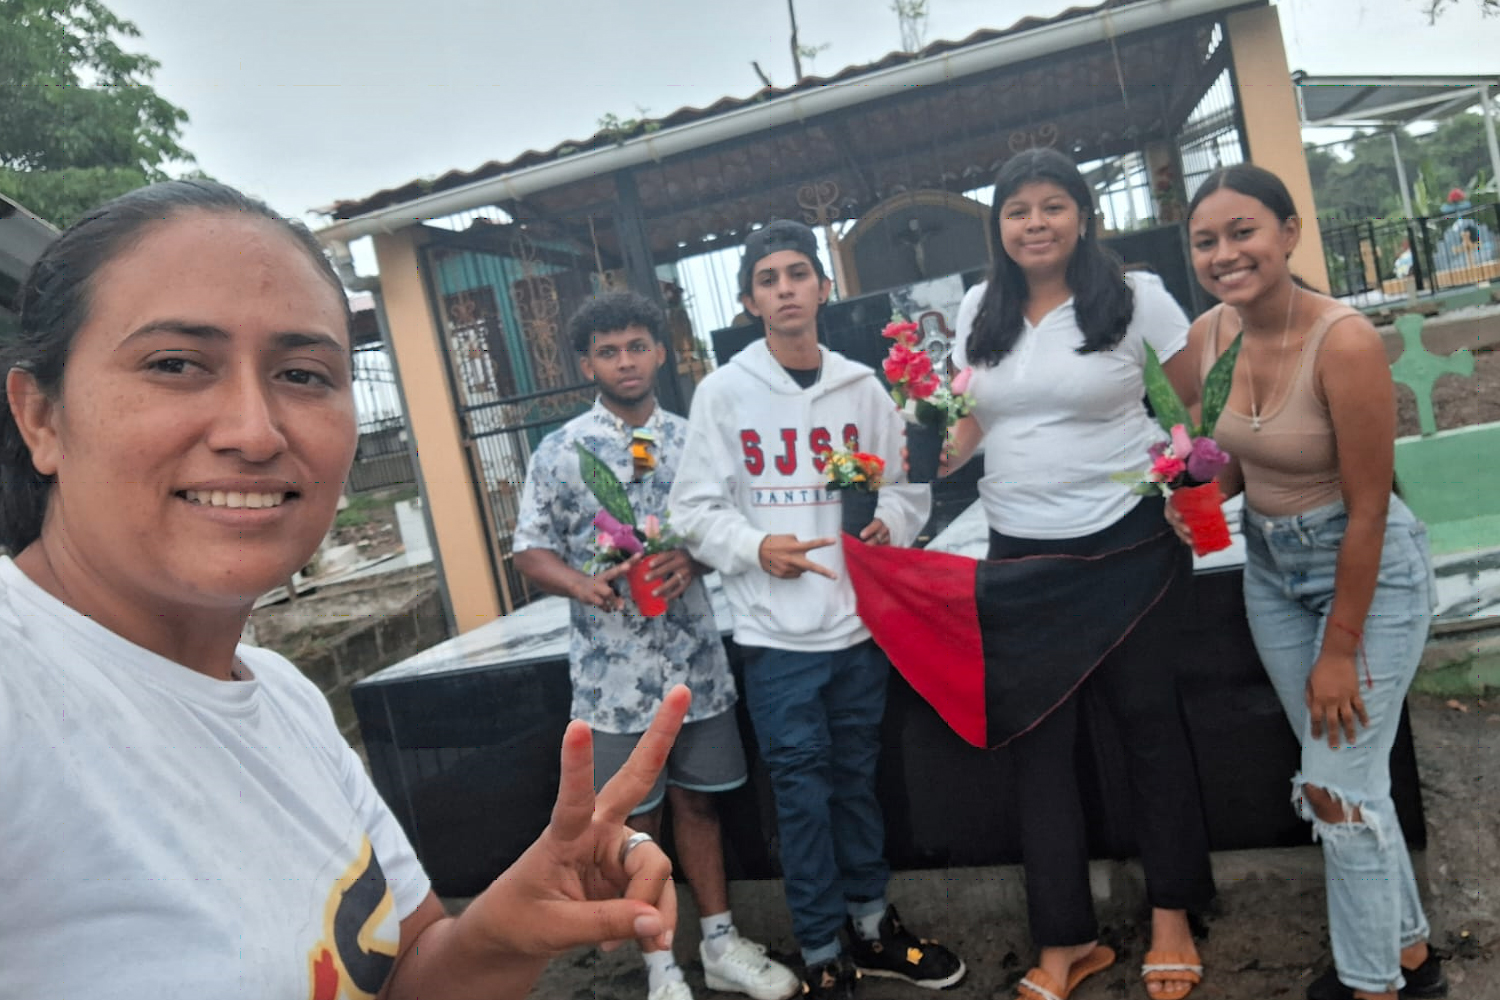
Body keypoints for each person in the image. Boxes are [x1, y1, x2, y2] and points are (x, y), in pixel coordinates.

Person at [0, 179, 691, 1000]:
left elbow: (402, 974)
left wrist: (504, 932)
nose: (255, 432)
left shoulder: (284, 699)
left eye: (303, 374)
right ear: (40, 415)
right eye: (177, 364)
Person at [943, 148, 1216, 1000]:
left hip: (1129, 543)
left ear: (1083, 214)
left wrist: (1192, 486)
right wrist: (891, 468)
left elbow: (1195, 408)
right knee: (1039, 745)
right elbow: (964, 432)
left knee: (1146, 721)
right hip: (1019, 553)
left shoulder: (1138, 298)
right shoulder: (976, 310)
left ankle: (1173, 912)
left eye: (1052, 206)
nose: (1034, 223)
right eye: (1017, 209)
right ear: (999, 226)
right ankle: (1065, 939)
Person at [668, 220, 965, 999]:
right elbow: (693, 511)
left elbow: (907, 487)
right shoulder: (725, 392)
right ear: (749, 300)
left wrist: (888, 524)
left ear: (824, 287)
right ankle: (818, 944)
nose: (786, 289)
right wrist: (755, 547)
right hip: (776, 639)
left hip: (856, 628)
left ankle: (871, 924)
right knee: (800, 793)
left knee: (857, 783)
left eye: (799, 273)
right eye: (768, 279)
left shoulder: (862, 387)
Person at [1180, 164, 1446, 1000]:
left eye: (1243, 231)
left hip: (1364, 573)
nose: (1226, 253)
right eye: (1206, 241)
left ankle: (1371, 986)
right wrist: (1192, 503)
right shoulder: (1206, 339)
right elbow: (1224, 466)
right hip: (1269, 570)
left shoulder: (1346, 341)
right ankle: (1408, 955)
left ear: (1289, 233)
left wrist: (1341, 650)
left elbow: (1369, 509)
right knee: (1354, 782)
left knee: (1333, 789)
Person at [513, 290, 799, 1000]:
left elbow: (736, 522)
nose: (626, 361)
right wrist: (581, 585)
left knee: (703, 806)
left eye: (637, 345)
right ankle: (660, 966)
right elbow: (529, 550)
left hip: (694, 663)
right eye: (608, 351)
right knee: (636, 822)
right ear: (587, 363)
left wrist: (698, 560)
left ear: (661, 350)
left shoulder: (697, 439)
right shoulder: (561, 452)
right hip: (614, 679)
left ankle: (724, 945)